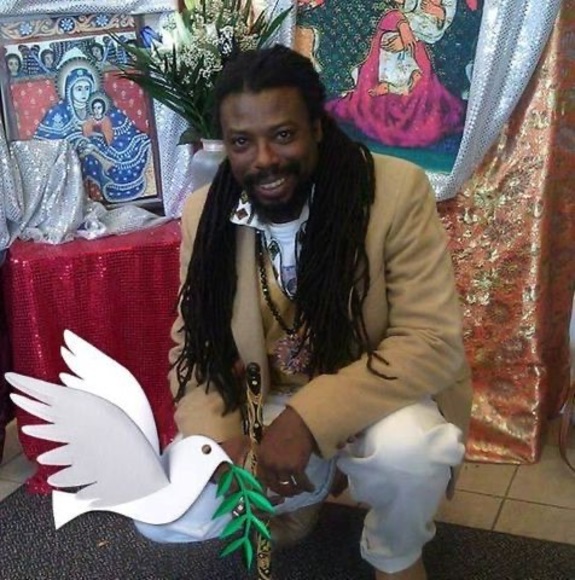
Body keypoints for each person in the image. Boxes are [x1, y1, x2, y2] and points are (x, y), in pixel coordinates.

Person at [135, 45, 472, 580]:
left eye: (283, 134)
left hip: (372, 392)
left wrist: (309, 423)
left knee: (414, 454)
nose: (263, 159)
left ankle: (396, 552)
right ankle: (305, 491)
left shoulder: (394, 191)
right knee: (166, 513)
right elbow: (194, 345)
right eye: (242, 142)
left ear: (317, 127)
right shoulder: (206, 211)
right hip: (263, 397)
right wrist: (221, 442)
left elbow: (430, 342)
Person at [326, 0, 464, 148]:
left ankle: (399, 86)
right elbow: (391, 8)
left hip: (423, 32)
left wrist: (438, 15)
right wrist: (401, 24)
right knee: (387, 49)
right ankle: (390, 86)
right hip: (394, 25)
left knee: (416, 72)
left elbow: (443, 22)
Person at [34, 54, 152, 203]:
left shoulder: (99, 104)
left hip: (104, 148)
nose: (84, 93)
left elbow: (124, 129)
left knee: (134, 147)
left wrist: (99, 138)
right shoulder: (59, 112)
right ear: (69, 89)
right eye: (79, 89)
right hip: (75, 154)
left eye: (87, 88)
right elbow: (46, 144)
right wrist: (77, 140)